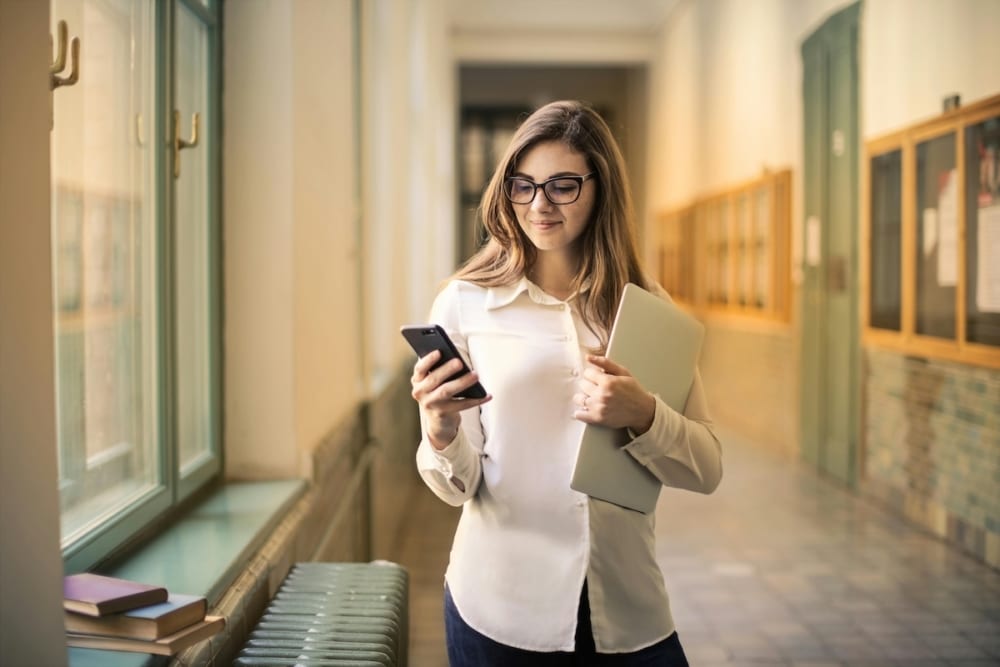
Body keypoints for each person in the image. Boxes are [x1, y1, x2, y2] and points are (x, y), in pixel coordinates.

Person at [409, 100, 722, 666]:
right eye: (523, 186)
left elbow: (706, 468)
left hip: (626, 609)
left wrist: (644, 414)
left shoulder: (648, 307)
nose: (539, 204)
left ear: (601, 187)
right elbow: (457, 487)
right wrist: (439, 429)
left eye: (562, 185)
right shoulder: (466, 302)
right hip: (499, 610)